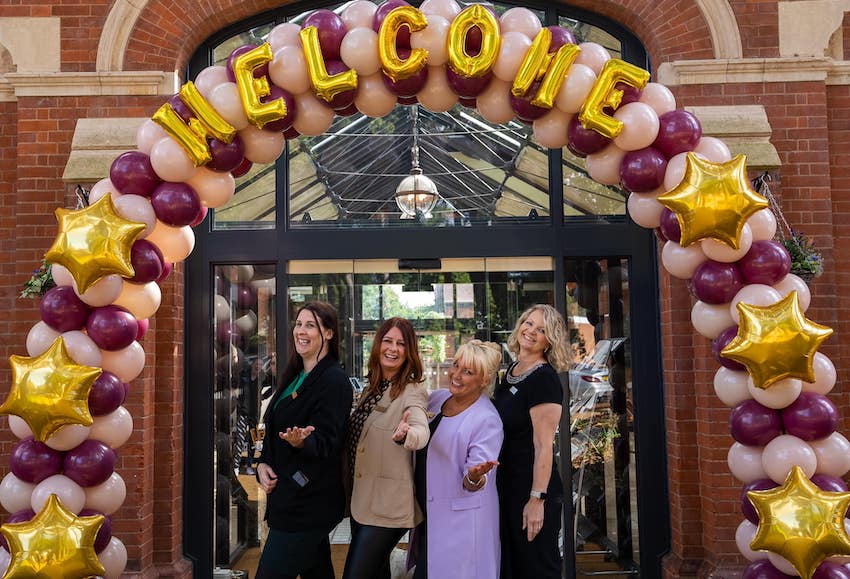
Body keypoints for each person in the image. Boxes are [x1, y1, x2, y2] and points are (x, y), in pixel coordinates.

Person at [255, 302, 353, 579]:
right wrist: (262, 463)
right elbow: (274, 431)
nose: (301, 331)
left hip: (307, 506)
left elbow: (326, 442)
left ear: (330, 334)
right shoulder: (295, 375)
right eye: (299, 324)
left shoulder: (334, 381)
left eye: (311, 325)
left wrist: (302, 442)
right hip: (288, 499)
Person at [342, 317, 430, 579]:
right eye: (387, 341)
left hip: (388, 508)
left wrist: (407, 435)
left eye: (401, 344)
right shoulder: (373, 388)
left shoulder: (412, 390)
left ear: (409, 351)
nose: (392, 348)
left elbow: (420, 428)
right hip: (362, 502)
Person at [411, 339, 504, 579]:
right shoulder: (438, 399)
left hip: (461, 527)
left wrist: (474, 476)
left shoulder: (487, 419)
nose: (456, 375)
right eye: (456, 365)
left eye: (468, 372)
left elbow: (476, 477)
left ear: (484, 381)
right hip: (429, 516)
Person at [493, 304, 570, 579]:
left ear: (550, 340)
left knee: (536, 569)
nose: (531, 331)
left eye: (541, 330)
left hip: (532, 490)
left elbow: (543, 445)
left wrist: (537, 499)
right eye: (528, 323)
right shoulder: (513, 369)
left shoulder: (544, 379)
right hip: (508, 486)